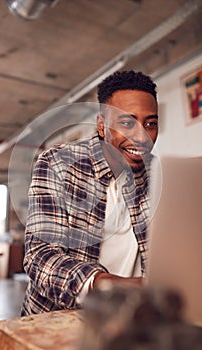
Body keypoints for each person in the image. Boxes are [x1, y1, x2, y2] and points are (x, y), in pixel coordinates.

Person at [21, 70, 158, 315]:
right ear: (101, 126)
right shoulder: (58, 163)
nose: (141, 136)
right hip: (61, 321)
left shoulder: (156, 172)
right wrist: (111, 286)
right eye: (127, 123)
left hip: (134, 320)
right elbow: (40, 258)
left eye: (150, 123)